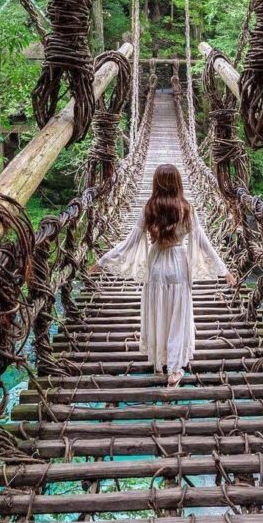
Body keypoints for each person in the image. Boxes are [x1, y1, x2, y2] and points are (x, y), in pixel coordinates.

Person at [90, 164, 237, 387]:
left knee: (159, 313)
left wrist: (102, 261)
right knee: (178, 318)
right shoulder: (186, 208)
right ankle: (175, 370)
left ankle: (161, 360)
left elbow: (129, 243)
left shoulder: (149, 208)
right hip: (178, 267)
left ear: (156, 183)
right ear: (178, 182)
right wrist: (224, 270)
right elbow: (203, 243)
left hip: (157, 266)